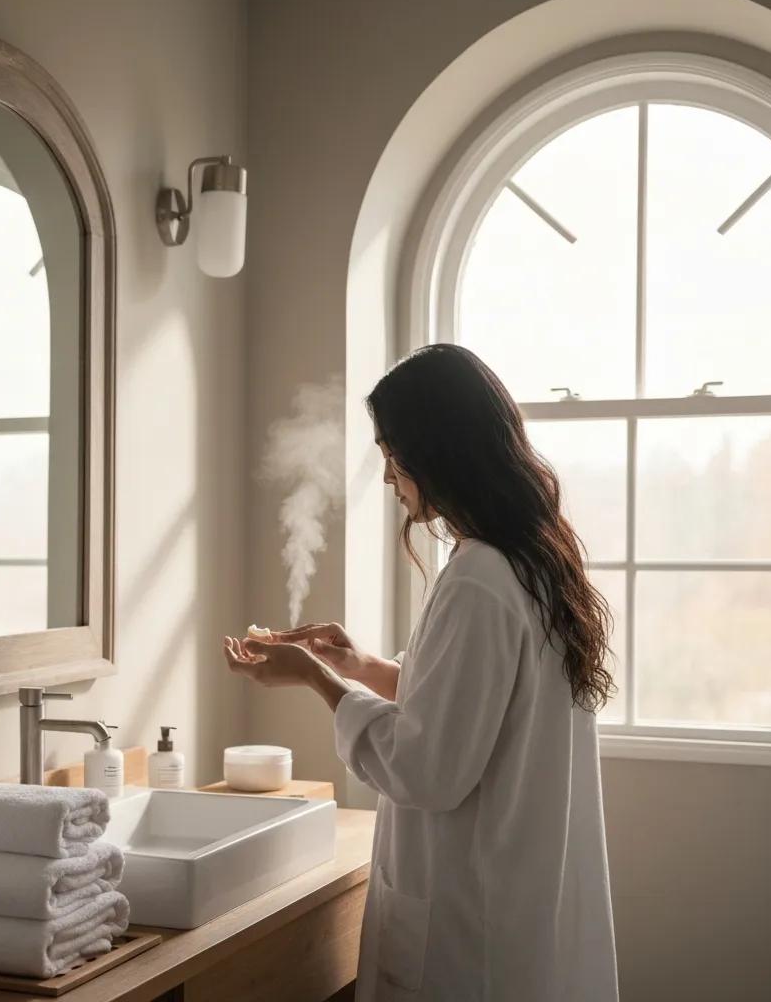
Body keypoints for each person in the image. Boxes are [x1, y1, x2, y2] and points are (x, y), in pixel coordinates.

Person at [224, 344, 618, 1002]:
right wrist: (362, 667)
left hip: (472, 921)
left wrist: (319, 682)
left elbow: (428, 769)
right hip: (519, 900)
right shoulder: (529, 559)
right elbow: (478, 708)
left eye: (392, 453)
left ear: (438, 449)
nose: (388, 478)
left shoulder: (478, 577)